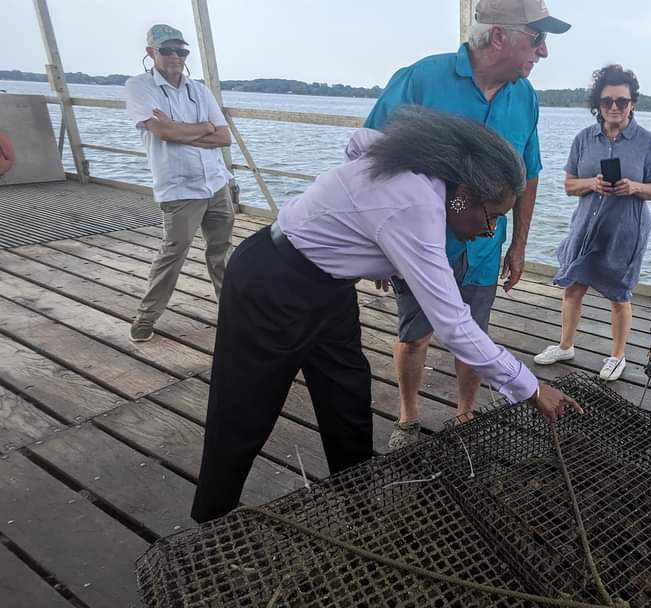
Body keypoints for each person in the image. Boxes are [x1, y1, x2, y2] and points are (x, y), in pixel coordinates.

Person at [190, 108, 582, 523]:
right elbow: (455, 325)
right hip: (270, 282)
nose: (487, 233)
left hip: (330, 289)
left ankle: (359, 508)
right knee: (245, 407)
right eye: (492, 220)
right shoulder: (417, 205)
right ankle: (211, 519)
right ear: (463, 193)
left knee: (348, 398)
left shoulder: (421, 173)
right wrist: (532, 389)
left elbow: (359, 142)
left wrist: (365, 237)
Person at [363, 0, 571, 449]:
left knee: (473, 334)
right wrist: (381, 247)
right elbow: (370, 155)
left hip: (483, 248)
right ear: (499, 36)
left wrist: (518, 245)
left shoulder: (525, 96)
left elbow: (530, 172)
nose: (544, 52)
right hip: (417, 247)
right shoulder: (421, 78)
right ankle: (407, 419)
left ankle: (465, 417)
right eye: (537, 39)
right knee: (413, 334)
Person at [533, 65, 651, 382]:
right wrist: (592, 183)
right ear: (598, 104)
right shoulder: (583, 139)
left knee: (620, 295)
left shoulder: (646, 141)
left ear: (633, 102)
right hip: (586, 227)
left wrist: (633, 187)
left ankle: (618, 356)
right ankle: (565, 345)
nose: (615, 107)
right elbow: (568, 186)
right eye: (608, 102)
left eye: (622, 101)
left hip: (625, 230)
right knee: (573, 287)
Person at [124, 24, 234, 342]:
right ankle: (145, 319)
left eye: (181, 50)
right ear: (151, 52)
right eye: (167, 50)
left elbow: (224, 136)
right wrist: (200, 129)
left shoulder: (198, 89)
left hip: (215, 183)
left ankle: (230, 311)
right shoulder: (139, 87)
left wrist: (181, 129)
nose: (175, 56)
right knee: (173, 253)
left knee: (221, 252)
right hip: (179, 187)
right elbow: (164, 133)